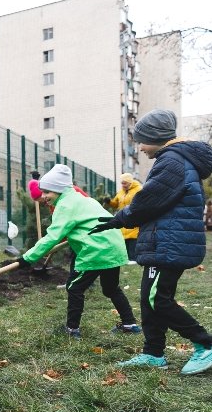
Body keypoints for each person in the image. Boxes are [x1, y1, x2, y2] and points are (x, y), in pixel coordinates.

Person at [90, 109, 212, 374]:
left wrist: (120, 219)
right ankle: (154, 353)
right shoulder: (174, 159)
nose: (140, 147)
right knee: (149, 298)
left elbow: (149, 200)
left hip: (170, 241)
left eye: (142, 140)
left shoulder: (173, 161)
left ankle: (206, 344)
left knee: (157, 298)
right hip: (165, 241)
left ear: (156, 137)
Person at [18, 164, 139, 339]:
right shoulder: (82, 199)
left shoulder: (66, 205)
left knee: (74, 287)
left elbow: (52, 236)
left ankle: (72, 329)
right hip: (113, 246)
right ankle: (130, 324)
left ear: (59, 190)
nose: (44, 197)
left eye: (47, 192)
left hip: (96, 250)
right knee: (111, 288)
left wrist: (27, 258)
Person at [105, 173, 143, 263]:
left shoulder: (138, 190)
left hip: (134, 218)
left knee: (133, 238)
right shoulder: (121, 192)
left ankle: (133, 259)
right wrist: (109, 202)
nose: (123, 185)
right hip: (123, 218)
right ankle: (126, 258)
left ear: (130, 182)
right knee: (124, 239)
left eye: (125, 183)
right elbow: (116, 204)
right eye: (122, 183)